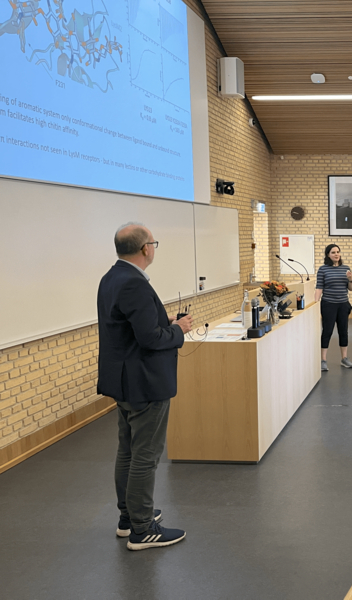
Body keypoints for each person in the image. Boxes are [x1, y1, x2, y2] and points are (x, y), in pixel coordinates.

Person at [97, 223, 194, 551]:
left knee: (128, 450)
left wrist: (166, 324)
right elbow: (150, 339)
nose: (154, 247)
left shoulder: (111, 277)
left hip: (125, 380)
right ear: (145, 249)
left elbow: (132, 328)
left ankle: (129, 517)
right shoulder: (134, 283)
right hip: (144, 382)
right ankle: (142, 529)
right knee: (146, 455)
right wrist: (178, 330)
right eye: (154, 242)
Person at [316, 243, 352, 371]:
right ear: (328, 255)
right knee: (327, 331)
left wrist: (350, 279)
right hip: (328, 304)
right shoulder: (323, 269)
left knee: (343, 331)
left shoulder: (346, 268)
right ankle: (323, 360)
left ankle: (344, 358)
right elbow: (319, 287)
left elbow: (351, 288)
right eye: (333, 252)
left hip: (343, 304)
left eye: (338, 252)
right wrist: (315, 303)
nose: (336, 254)